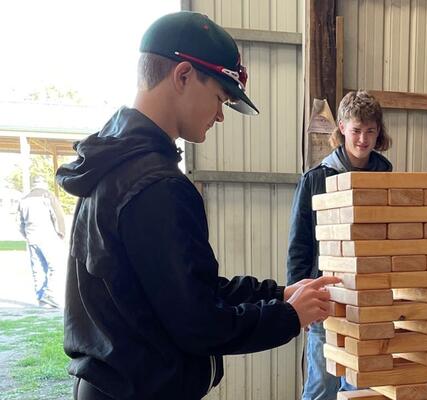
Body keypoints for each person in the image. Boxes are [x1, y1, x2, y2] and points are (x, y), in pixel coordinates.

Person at [55, 11, 339, 400]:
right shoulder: (155, 185)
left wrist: (281, 294)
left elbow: (190, 290)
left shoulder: (115, 162)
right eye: (220, 97)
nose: (220, 115)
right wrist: (288, 317)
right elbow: (198, 324)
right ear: (184, 75)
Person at [287, 91, 393, 400]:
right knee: (322, 387)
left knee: (359, 388)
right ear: (343, 127)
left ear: (378, 133)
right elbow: (300, 243)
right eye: (357, 129)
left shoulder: (385, 176)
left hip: (368, 300)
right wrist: (297, 295)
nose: (363, 138)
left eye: (370, 131)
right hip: (327, 297)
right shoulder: (316, 178)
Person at [18, 176, 65, 308]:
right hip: (48, 235)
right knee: (55, 266)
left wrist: (26, 235)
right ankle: (49, 294)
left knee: (37, 267)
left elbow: (19, 223)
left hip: (31, 237)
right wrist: (61, 233)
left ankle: (41, 299)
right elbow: (58, 216)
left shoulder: (24, 199)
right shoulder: (47, 196)